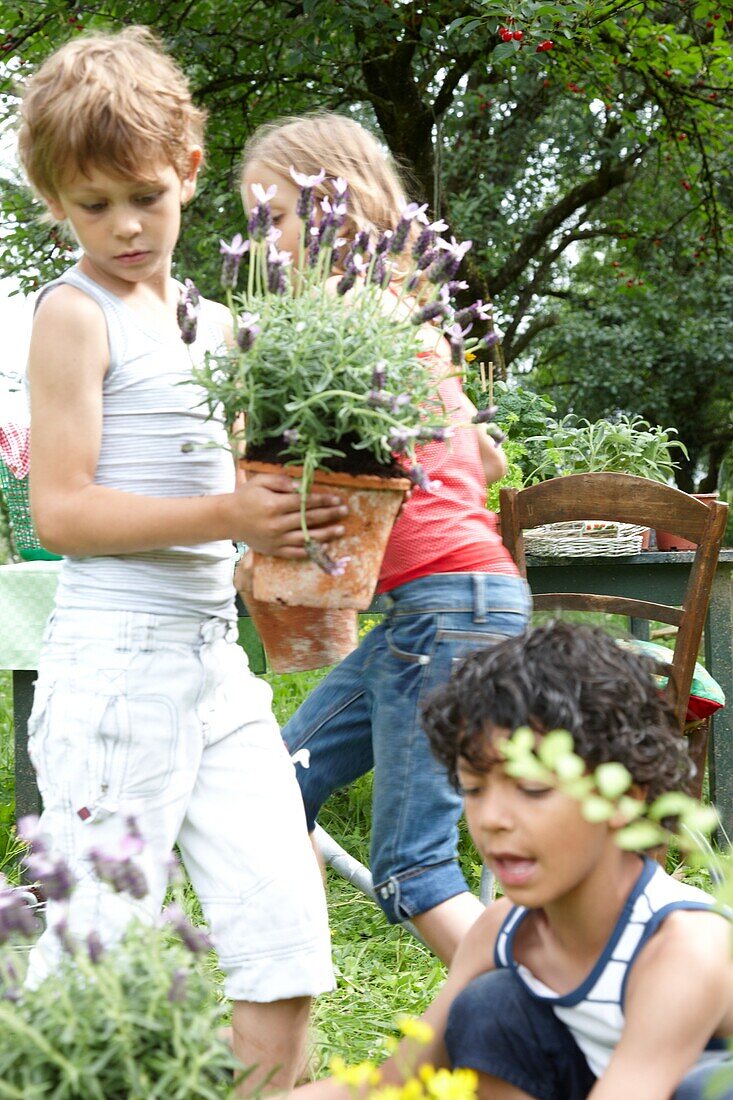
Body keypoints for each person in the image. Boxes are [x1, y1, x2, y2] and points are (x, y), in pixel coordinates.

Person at [17, 29, 349, 1091]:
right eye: (93, 202)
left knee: (284, 930)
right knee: (91, 954)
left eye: (144, 198)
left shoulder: (212, 322)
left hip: (216, 668)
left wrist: (284, 555)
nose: (123, 226)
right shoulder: (74, 316)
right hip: (116, 666)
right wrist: (229, 515)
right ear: (55, 199)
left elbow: (244, 491)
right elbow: (60, 511)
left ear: (191, 175)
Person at [236, 112, 532, 965]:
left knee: (413, 865)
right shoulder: (410, 316)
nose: (268, 240)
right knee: (274, 780)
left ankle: (541, 1027)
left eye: (278, 215)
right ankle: (294, 958)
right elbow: (488, 454)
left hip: (446, 608)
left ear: (340, 203)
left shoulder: (351, 314)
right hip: (448, 605)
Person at [299, 622, 733, 1100]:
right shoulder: (504, 930)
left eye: (532, 790)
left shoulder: (682, 947)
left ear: (623, 799)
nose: (493, 820)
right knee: (490, 1006)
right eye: (474, 788)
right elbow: (394, 1084)